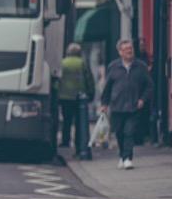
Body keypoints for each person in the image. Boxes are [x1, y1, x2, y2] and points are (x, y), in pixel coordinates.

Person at [100, 39, 153, 170]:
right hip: (117, 106)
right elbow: (107, 87)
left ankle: (128, 158)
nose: (129, 51)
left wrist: (142, 99)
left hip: (134, 106)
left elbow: (149, 86)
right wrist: (104, 103)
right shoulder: (113, 67)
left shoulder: (140, 66)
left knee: (129, 132)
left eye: (130, 48)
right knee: (119, 133)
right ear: (120, 52)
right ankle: (122, 156)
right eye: (126, 49)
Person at [57, 43, 94, 148]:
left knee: (66, 120)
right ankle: (79, 142)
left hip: (65, 97)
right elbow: (89, 79)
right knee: (79, 121)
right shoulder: (82, 63)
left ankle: (65, 141)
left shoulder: (63, 63)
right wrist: (91, 93)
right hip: (79, 96)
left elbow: (58, 79)